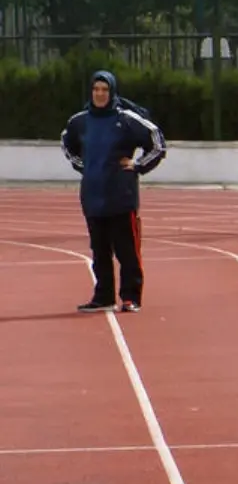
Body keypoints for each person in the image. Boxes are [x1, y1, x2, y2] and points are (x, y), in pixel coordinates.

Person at [61, 69, 167, 313]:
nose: (100, 94)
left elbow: (157, 142)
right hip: (93, 196)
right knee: (99, 251)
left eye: (104, 90)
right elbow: (67, 144)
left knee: (127, 250)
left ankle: (131, 296)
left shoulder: (126, 119)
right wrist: (84, 167)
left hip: (121, 196)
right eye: (96, 89)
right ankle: (103, 296)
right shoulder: (80, 121)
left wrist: (138, 165)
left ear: (112, 91)